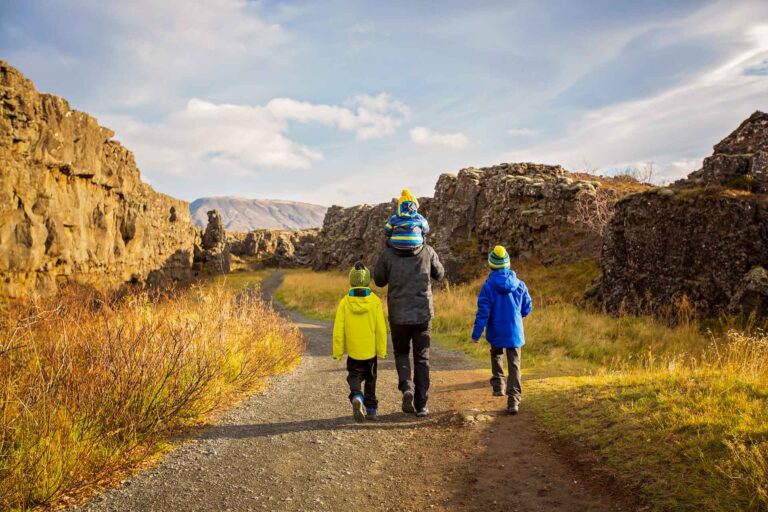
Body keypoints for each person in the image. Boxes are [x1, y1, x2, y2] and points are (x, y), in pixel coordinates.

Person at [374, 216, 444, 417]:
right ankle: (422, 405)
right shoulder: (427, 251)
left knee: (402, 353)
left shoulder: (388, 254)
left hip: (398, 314)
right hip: (423, 314)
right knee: (422, 358)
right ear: (420, 232)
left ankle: (407, 388)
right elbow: (440, 274)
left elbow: (378, 280)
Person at [471, 245, 532, 415]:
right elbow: (527, 307)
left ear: (491, 265)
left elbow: (483, 313)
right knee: (514, 364)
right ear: (508, 264)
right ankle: (514, 400)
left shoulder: (488, 287)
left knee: (496, 354)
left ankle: (498, 385)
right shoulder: (520, 284)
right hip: (514, 332)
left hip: (496, 331)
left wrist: (476, 334)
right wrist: (519, 316)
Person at [333, 262, 388, 423]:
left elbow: (338, 328)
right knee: (371, 380)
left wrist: (337, 351)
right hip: (370, 352)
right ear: (367, 281)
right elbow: (380, 328)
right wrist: (381, 350)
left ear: (352, 280)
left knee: (354, 376)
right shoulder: (375, 301)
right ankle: (371, 410)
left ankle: (357, 395)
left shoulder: (345, 302)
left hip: (354, 351)